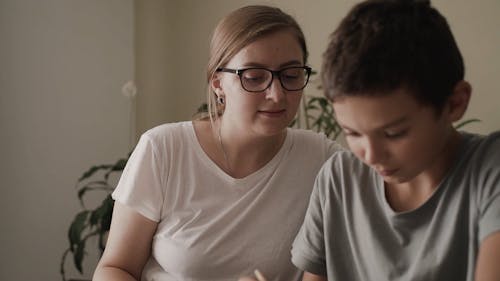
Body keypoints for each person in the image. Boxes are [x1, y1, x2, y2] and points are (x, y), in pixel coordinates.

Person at [93, 5, 340, 281]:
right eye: (254, 77)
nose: (276, 94)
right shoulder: (163, 149)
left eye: (291, 75)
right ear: (218, 83)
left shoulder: (322, 159)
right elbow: (115, 269)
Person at [290, 0, 500, 280]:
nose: (371, 155)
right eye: (352, 133)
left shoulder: (491, 172)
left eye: (393, 133)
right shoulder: (338, 179)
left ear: (454, 103)